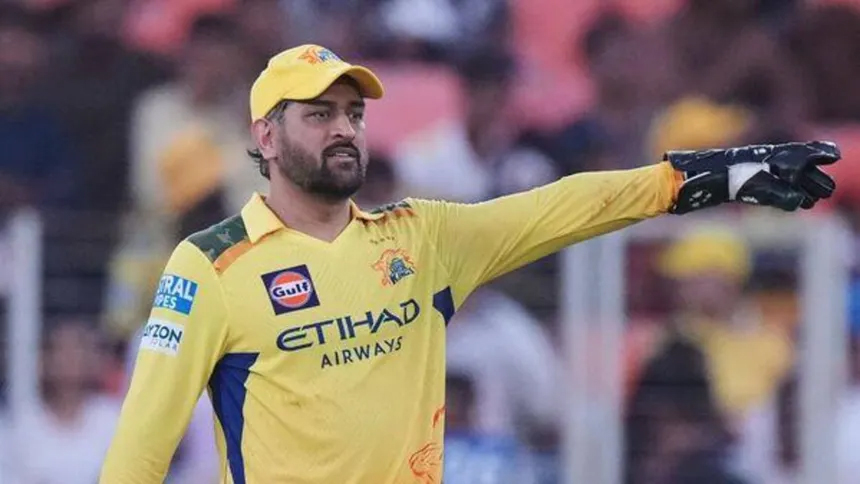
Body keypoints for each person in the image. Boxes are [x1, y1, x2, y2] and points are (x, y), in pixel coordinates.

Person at [99, 43, 840, 483]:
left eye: (353, 113)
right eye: (318, 115)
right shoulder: (209, 265)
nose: (344, 129)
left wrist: (709, 176)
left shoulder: (421, 239)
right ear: (265, 136)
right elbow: (140, 447)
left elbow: (564, 205)